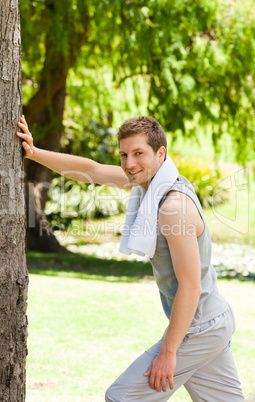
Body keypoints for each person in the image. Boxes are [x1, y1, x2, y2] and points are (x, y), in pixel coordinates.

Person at [17, 115, 244, 401]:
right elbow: (93, 170)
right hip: (213, 321)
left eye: (139, 154)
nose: (129, 164)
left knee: (121, 397)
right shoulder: (152, 181)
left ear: (161, 153)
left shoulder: (173, 206)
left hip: (201, 328)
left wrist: (168, 352)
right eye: (124, 155)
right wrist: (35, 153)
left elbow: (191, 286)